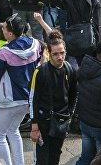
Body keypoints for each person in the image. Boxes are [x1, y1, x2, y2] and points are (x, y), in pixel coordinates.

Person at [0, 14, 42, 164]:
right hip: (28, 99)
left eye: (5, 28)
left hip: (9, 101)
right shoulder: (35, 44)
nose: (2, 29)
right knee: (13, 130)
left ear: (11, 34)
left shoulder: (4, 52)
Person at [29, 31, 77, 165]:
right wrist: (34, 126)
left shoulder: (70, 70)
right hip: (43, 123)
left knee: (55, 159)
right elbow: (33, 99)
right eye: (55, 54)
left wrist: (70, 114)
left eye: (62, 53)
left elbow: (74, 94)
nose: (60, 57)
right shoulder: (40, 72)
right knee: (42, 161)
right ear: (49, 53)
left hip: (61, 122)